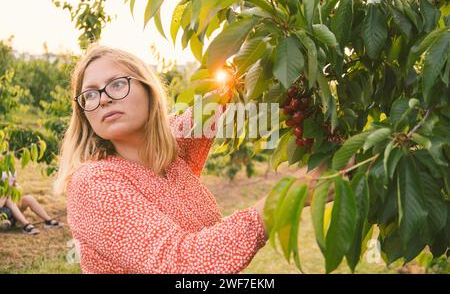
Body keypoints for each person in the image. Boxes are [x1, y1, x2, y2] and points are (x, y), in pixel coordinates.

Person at [54, 44, 345, 274]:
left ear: (148, 90)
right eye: (90, 94)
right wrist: (286, 199)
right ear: (84, 113)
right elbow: (179, 264)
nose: (103, 99)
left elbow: (229, 98)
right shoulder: (92, 185)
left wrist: (278, 44)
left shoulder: (171, 145)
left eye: (117, 84)